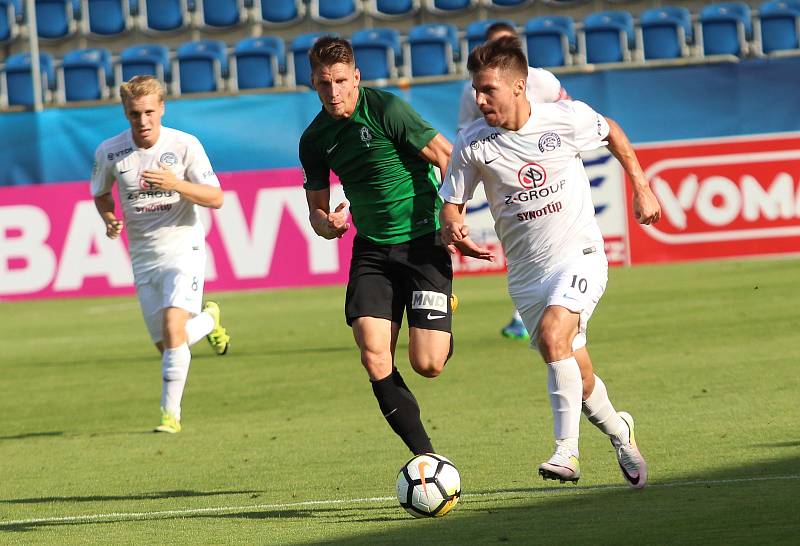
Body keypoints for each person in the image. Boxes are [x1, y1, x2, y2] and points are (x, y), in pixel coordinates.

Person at [439, 37, 661, 488]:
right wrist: (454, 230)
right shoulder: (472, 143)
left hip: (580, 255)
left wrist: (642, 186)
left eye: (488, 91)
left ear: (519, 87)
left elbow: (612, 131)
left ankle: (566, 453)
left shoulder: (565, 119)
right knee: (576, 374)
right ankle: (621, 433)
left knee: (555, 334)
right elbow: (453, 202)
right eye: (476, 91)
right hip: (526, 276)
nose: (479, 100)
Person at [299, 37, 454, 456]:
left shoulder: (387, 109)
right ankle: (427, 459)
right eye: (323, 83)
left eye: (341, 81)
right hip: (372, 252)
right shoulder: (314, 139)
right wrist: (327, 225)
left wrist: (452, 213)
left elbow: (446, 155)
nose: (333, 92)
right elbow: (316, 210)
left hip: (422, 244)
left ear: (356, 78)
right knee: (373, 356)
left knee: (428, 364)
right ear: (313, 82)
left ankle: (440, 306)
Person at [91, 75, 231, 434]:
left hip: (184, 246)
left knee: (173, 332)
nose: (143, 121)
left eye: (150, 112)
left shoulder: (184, 146)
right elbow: (101, 192)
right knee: (168, 345)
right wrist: (109, 218)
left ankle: (170, 416)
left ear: (162, 108)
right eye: (135, 114)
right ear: (125, 112)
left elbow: (216, 198)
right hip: (142, 256)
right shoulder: (110, 151)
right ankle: (209, 321)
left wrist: (175, 184)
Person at [457, 22, 568, 341]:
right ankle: (529, 311)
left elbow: (568, 113)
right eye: (497, 45)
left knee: (558, 240)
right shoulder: (473, 91)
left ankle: (556, 306)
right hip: (504, 176)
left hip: (550, 170)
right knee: (522, 240)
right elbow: (465, 132)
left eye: (509, 44)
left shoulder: (542, 80)